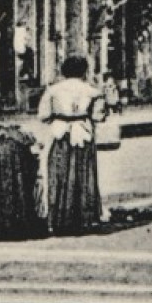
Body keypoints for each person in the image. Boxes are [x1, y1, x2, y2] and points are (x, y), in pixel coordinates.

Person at [39, 55, 108, 235]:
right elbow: (98, 116)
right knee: (83, 175)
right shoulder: (93, 91)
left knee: (59, 175)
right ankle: (84, 218)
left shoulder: (53, 90)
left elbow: (44, 115)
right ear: (84, 71)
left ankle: (59, 218)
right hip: (83, 133)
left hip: (60, 134)